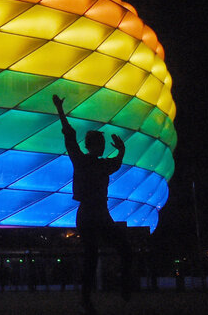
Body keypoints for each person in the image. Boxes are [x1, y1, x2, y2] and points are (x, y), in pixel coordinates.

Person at [53, 94, 133, 314]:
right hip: (89, 214)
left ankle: (123, 287)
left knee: (124, 250)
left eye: (103, 145)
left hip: (100, 214)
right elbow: (69, 135)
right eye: (100, 144)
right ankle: (86, 299)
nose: (102, 147)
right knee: (92, 256)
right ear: (91, 145)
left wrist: (122, 150)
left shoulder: (102, 164)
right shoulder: (81, 160)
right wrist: (60, 109)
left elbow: (116, 162)